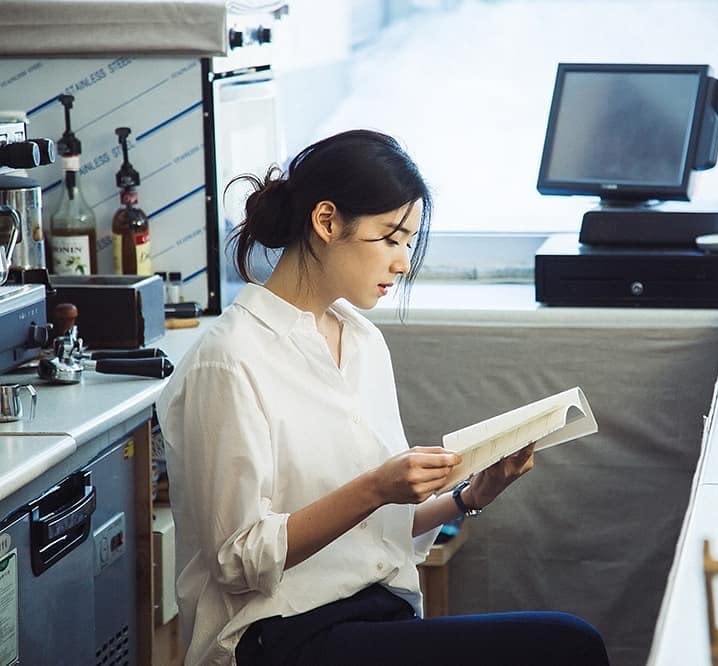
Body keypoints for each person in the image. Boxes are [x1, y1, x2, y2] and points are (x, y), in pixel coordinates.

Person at [156, 129, 610, 666]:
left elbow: (374, 528)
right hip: (278, 635)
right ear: (326, 222)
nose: (401, 262)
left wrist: (468, 497)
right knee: (566, 645)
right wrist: (376, 486)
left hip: (373, 611)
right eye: (390, 238)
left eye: (409, 243)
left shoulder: (364, 341)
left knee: (564, 642)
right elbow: (238, 560)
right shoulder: (228, 359)